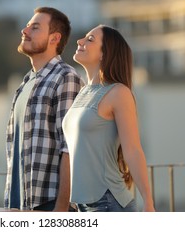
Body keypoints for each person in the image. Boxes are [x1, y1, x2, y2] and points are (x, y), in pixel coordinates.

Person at [63, 24, 155, 212]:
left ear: (105, 54)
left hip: (107, 203)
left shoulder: (118, 92)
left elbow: (133, 150)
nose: (80, 41)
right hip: (81, 205)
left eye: (90, 40)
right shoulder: (83, 92)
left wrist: (148, 203)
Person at [4, 7, 83, 211]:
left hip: (49, 204)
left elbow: (70, 149)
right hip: (21, 203)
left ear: (54, 38)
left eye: (35, 27)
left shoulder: (65, 78)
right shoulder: (26, 82)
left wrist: (61, 210)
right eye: (28, 26)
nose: (25, 31)